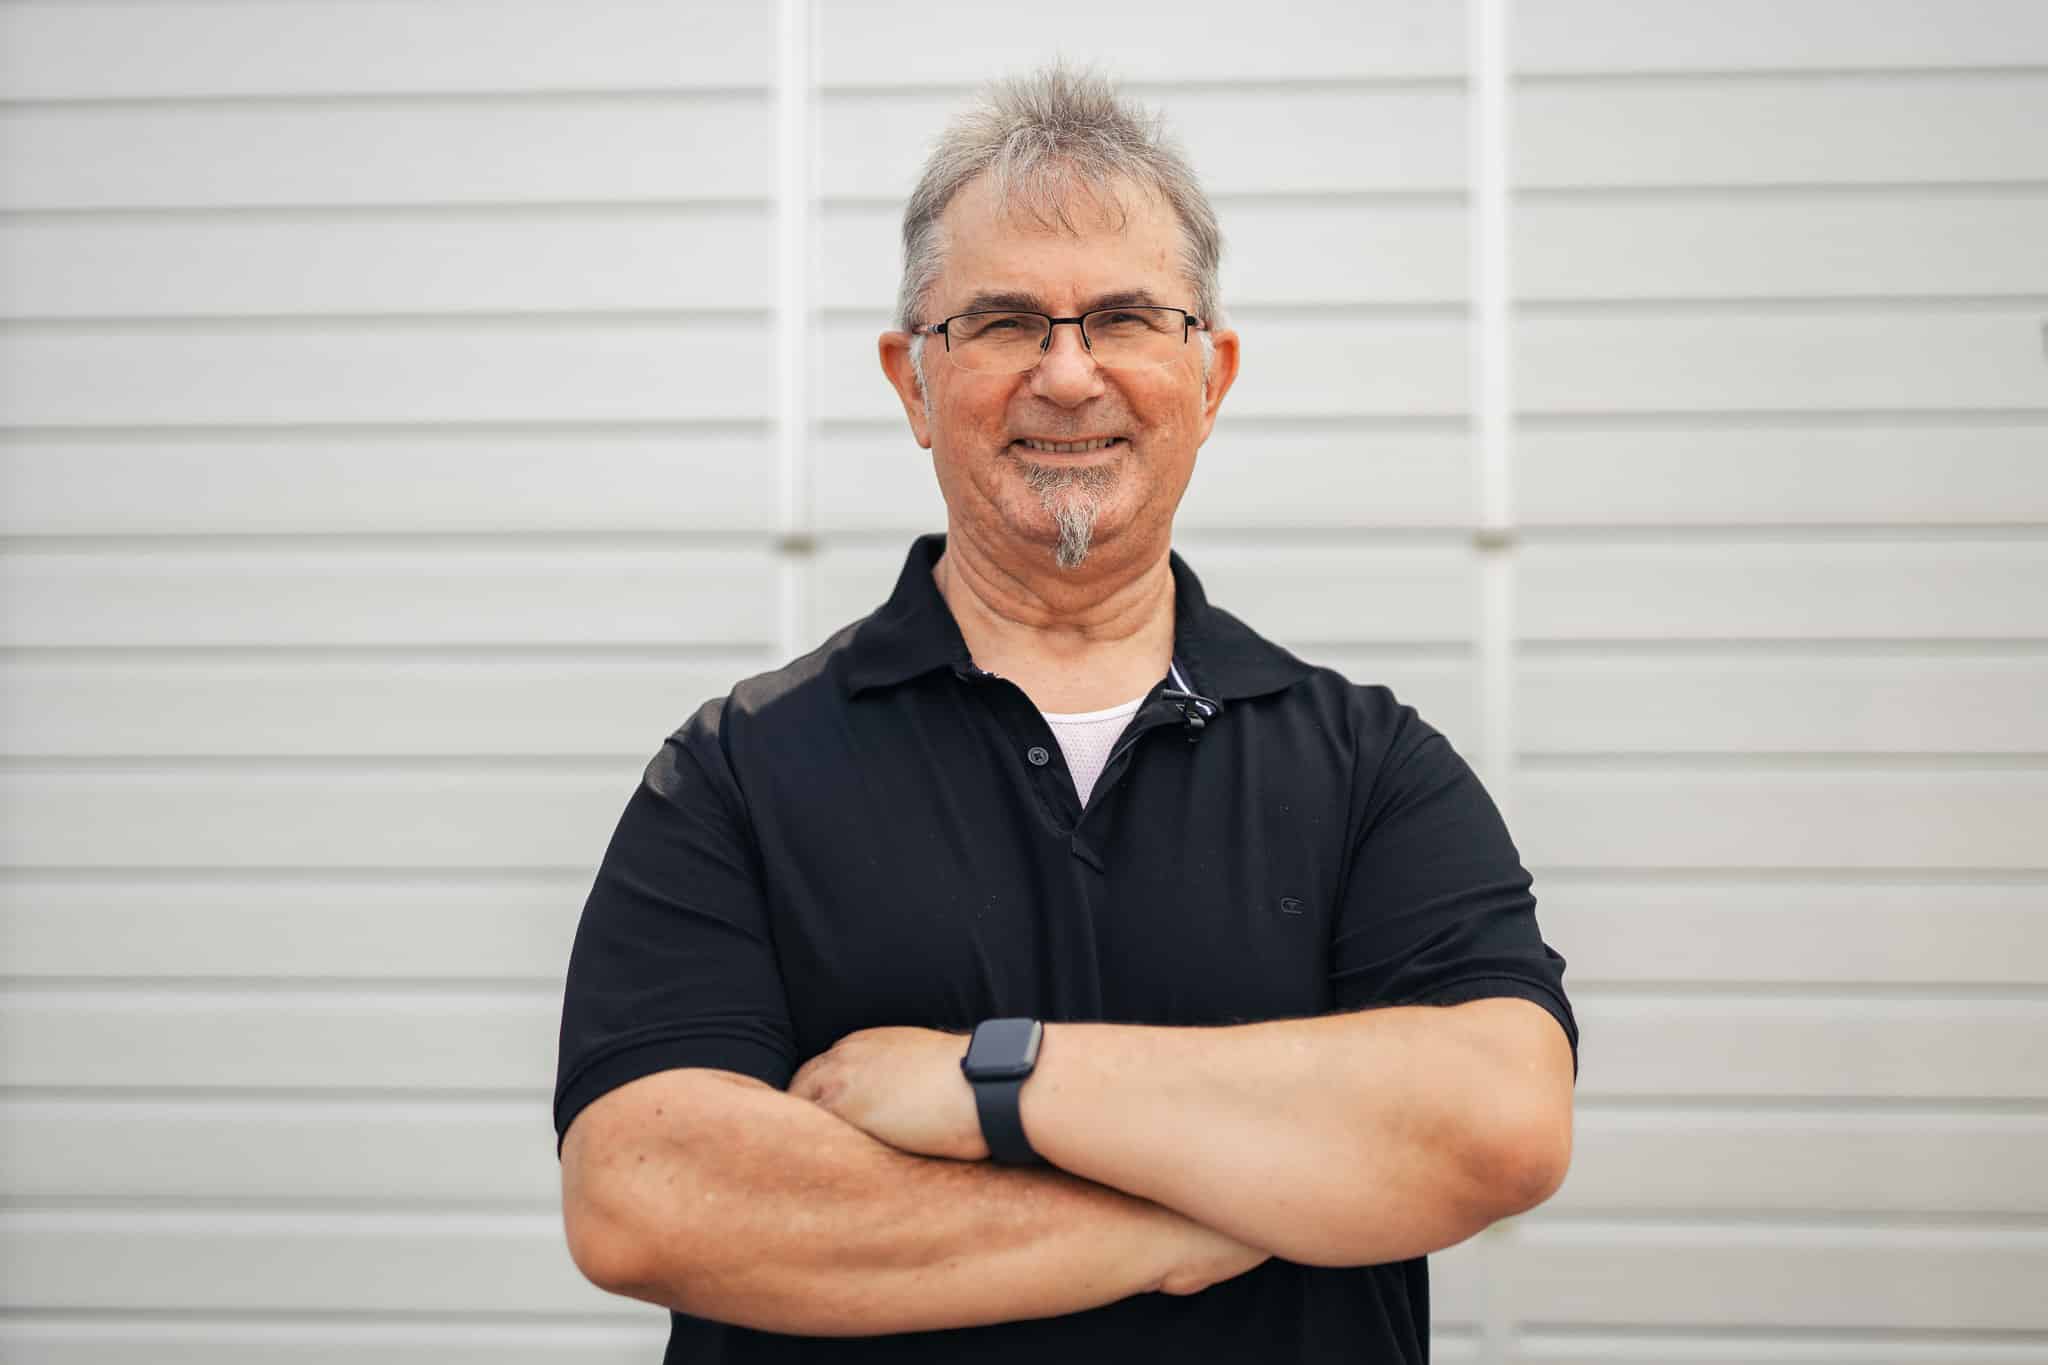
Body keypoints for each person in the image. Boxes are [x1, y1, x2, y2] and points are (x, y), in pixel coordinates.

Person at [553, 66, 1577, 1364]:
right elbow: (645, 1193)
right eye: (1002, 322)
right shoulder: (737, 775)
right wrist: (1184, 1215)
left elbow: (1498, 1120)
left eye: (1128, 318)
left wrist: (989, 1081)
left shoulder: (1372, 770)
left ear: (1212, 374)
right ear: (911, 382)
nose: (1070, 373)